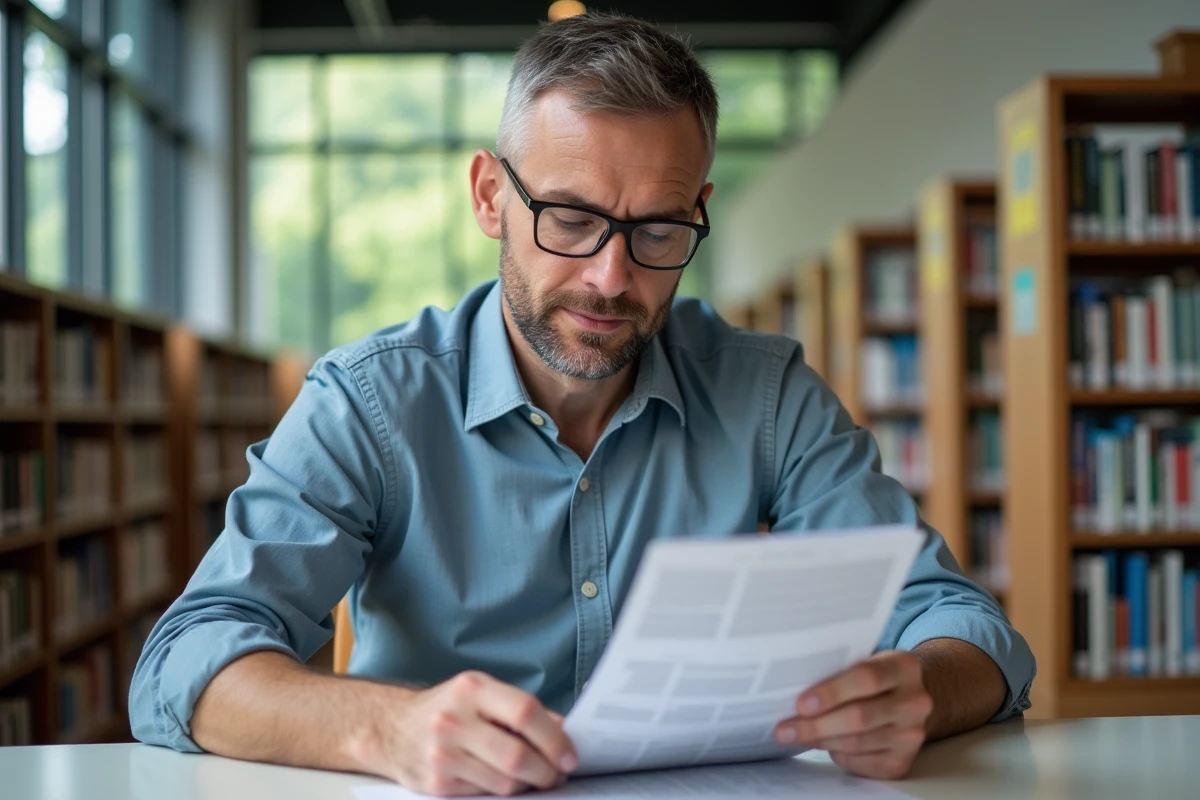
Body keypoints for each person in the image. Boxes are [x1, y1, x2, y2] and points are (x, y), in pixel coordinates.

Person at [130, 12, 1035, 797]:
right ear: (491, 196)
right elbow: (184, 662)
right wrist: (386, 729)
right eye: (569, 218)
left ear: (699, 213)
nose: (612, 276)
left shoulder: (764, 392)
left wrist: (918, 688)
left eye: (659, 230)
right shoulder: (369, 403)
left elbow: (970, 629)